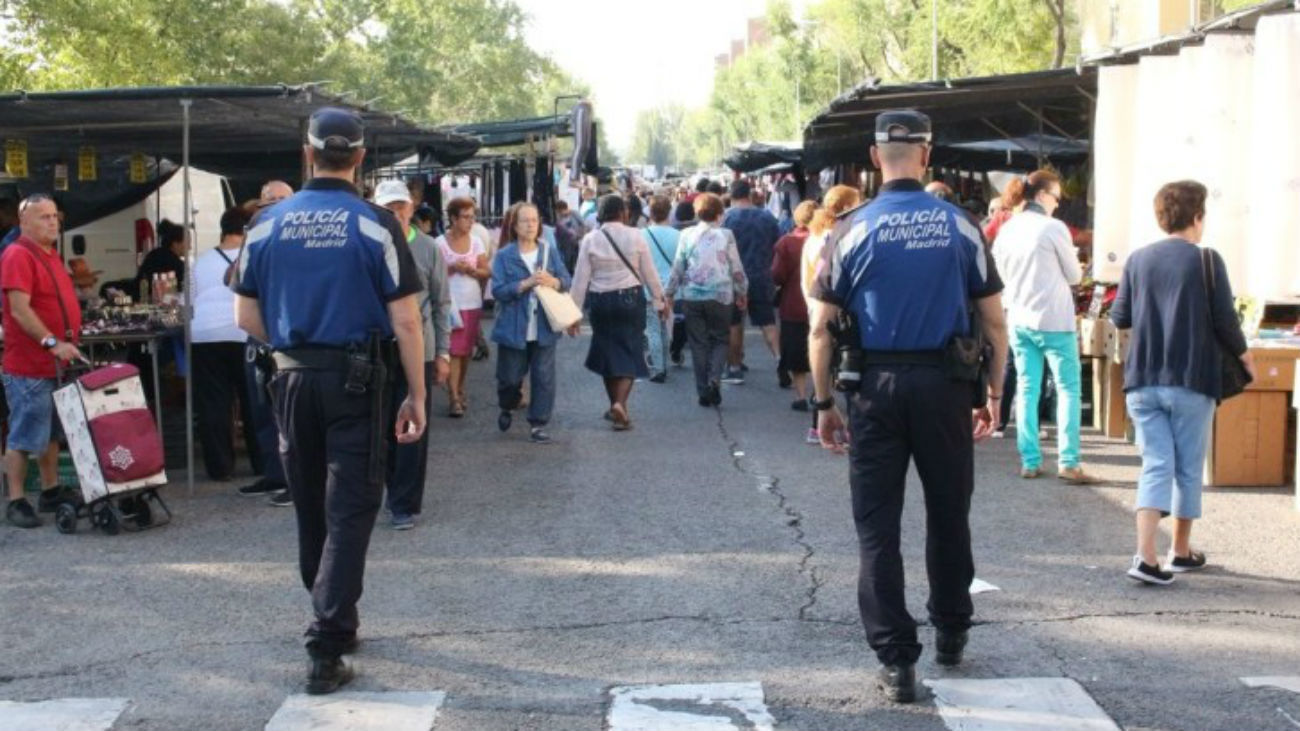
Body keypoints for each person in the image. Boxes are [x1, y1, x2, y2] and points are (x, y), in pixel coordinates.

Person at [807, 111, 1007, 704]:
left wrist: (823, 404)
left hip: (874, 388)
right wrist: (993, 393)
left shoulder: (849, 229)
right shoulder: (961, 225)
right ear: (927, 154)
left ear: (874, 159)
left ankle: (897, 661)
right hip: (945, 386)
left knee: (877, 526)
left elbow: (820, 329)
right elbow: (994, 319)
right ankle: (950, 628)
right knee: (949, 512)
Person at [232, 107, 426, 695]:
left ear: (307, 152)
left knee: (311, 502)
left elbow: (245, 314)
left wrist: (294, 345)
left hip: (289, 378)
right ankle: (326, 634)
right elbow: (406, 320)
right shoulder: (375, 224)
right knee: (352, 504)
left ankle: (333, 614)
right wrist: (416, 392)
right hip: (357, 378)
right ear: (362, 157)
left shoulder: (265, 225)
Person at [1110, 180, 1254, 586]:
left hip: (1142, 379)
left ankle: (1146, 555)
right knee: (1188, 468)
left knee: (1155, 463)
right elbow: (1226, 320)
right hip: (1192, 377)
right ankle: (1180, 551)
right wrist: (1246, 359)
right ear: (1197, 217)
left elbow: (1120, 317)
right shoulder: (1206, 260)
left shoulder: (1138, 259)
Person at [993, 170, 1096, 483]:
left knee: (1027, 387)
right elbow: (1075, 276)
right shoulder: (1053, 228)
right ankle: (1068, 461)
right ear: (1041, 195)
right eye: (1056, 197)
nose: (1058, 203)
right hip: (1054, 318)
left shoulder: (1007, 229)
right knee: (1068, 389)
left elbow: (999, 275)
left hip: (1019, 317)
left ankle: (1030, 460)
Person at [1, 194, 85, 529]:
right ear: (23, 223)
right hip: (29, 364)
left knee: (49, 433)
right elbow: (20, 310)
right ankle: (16, 499)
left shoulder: (48, 253)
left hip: (52, 365)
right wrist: (52, 342)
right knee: (23, 435)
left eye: (54, 216)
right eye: (43, 217)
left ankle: (50, 490)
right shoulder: (18, 254)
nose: (52, 222)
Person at [374, 180, 452, 530]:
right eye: (387, 208)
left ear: (411, 208)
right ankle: (386, 489)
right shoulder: (366, 245)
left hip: (419, 347)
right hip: (375, 347)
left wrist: (444, 352)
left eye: (400, 207)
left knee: (412, 424)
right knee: (378, 425)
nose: (395, 214)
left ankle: (403, 502)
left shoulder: (428, 248)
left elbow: (441, 301)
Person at [570, 194, 667, 430]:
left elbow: (580, 279)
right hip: (630, 299)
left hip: (600, 301)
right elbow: (649, 272)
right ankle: (620, 404)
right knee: (630, 349)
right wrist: (659, 300)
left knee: (607, 351)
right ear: (623, 213)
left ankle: (615, 404)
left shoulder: (590, 239)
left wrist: (573, 313)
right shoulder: (636, 235)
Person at [491, 202, 573, 444]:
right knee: (509, 377)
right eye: (525, 221)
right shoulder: (505, 255)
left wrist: (554, 282)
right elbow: (498, 291)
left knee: (543, 376)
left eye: (534, 220)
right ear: (515, 226)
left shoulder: (548, 251)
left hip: (544, 326)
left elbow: (566, 279)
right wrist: (524, 285)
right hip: (513, 326)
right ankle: (507, 405)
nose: (530, 225)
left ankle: (538, 423)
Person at [191, 206, 259, 482]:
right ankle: (262, 463)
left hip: (204, 335)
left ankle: (219, 468)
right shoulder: (251, 256)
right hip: (242, 332)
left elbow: (188, 300)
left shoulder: (201, 261)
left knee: (213, 403)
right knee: (252, 400)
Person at [239, 181, 296, 505]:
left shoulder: (299, 239)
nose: (275, 205)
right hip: (258, 337)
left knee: (288, 415)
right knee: (262, 411)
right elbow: (233, 279)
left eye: (282, 200)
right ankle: (273, 474)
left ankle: (294, 480)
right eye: (269, 200)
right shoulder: (256, 236)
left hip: (288, 338)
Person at [665, 193, 748, 407]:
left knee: (698, 344)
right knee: (720, 340)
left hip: (692, 296)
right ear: (719, 214)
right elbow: (736, 267)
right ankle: (714, 379)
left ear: (697, 212)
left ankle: (703, 390)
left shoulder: (686, 235)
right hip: (721, 296)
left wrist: (669, 293)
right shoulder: (727, 235)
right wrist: (742, 291)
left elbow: (678, 266)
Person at [801, 186, 862, 445]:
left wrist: (811, 305)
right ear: (849, 204)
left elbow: (806, 278)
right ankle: (845, 424)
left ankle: (818, 422)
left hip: (816, 306)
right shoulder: (841, 235)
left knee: (824, 365)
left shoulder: (812, 237)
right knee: (847, 366)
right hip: (838, 310)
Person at [721, 179, 781, 385]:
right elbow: (778, 245)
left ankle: (735, 368)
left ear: (732, 194)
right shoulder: (767, 217)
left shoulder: (727, 219)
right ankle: (781, 361)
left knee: (735, 323)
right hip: (762, 275)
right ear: (749, 194)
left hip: (734, 278)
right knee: (767, 321)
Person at [435, 197, 490, 417]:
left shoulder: (476, 241)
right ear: (453, 218)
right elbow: (434, 274)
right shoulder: (439, 243)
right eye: (466, 217)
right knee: (453, 351)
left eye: (472, 216)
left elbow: (486, 271)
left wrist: (472, 271)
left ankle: (459, 387)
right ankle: (454, 397)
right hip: (449, 304)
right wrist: (451, 267)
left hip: (471, 301)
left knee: (465, 351)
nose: (470, 221)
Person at [771, 200, 817, 413]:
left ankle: (800, 395)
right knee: (822, 350)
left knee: (797, 353)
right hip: (822, 305)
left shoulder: (787, 243)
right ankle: (820, 392)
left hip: (794, 304)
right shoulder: (829, 239)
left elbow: (777, 275)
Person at [642, 195, 680, 382]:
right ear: (669, 212)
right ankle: (663, 362)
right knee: (665, 326)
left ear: (650, 212)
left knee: (653, 329)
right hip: (671, 289)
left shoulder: (643, 235)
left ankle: (658, 368)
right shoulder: (678, 235)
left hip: (649, 288)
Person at [136, 218, 188, 294]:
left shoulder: (152, 255)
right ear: (175, 243)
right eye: (187, 242)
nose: (190, 247)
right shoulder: (178, 265)